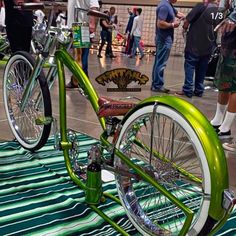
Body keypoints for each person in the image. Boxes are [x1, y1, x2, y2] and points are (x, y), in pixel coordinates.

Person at [175, 0, 220, 98]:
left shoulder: (201, 6)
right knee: (202, 69)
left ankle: (188, 89)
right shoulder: (219, 11)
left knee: (190, 66)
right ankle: (199, 90)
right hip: (208, 45)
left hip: (194, 44)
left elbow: (188, 20)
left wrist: (184, 28)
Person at [210, 0, 236, 150]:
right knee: (229, 85)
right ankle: (221, 126)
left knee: (230, 84)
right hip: (231, 42)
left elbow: (223, 10)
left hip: (230, 43)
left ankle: (221, 125)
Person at [151, 0, 185, 93]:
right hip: (163, 39)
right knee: (161, 63)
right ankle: (157, 85)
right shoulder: (164, 7)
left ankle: (155, 84)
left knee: (159, 61)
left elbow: (177, 13)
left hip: (164, 38)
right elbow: (160, 23)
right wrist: (173, 25)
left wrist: (186, 17)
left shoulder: (168, 4)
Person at [66, 0, 99, 88]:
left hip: (81, 27)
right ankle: (78, 80)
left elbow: (94, 7)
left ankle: (82, 82)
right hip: (74, 28)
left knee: (81, 57)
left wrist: (92, 23)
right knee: (77, 57)